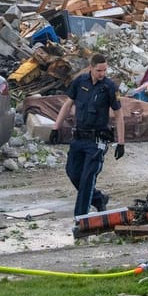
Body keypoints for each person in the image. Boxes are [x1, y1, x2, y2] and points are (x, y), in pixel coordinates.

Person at [53, 53, 125, 218]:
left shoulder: (109, 87)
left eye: (105, 70)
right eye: (99, 70)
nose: (102, 74)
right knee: (72, 172)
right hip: (79, 138)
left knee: (87, 179)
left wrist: (121, 143)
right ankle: (99, 199)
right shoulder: (80, 82)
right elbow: (68, 104)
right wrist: (56, 127)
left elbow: (119, 114)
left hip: (97, 141)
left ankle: (81, 219)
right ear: (91, 68)